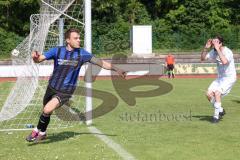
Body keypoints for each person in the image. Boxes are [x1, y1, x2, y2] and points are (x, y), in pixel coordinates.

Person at [26, 28, 126, 142]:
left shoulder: (82, 53)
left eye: (79, 38)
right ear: (68, 40)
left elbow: (101, 63)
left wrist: (116, 68)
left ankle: (36, 130)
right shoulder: (57, 51)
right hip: (52, 86)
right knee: (46, 110)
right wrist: (35, 57)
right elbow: (39, 59)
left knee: (47, 109)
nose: (79, 40)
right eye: (76, 38)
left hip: (66, 90)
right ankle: (43, 133)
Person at [201, 35, 236, 123]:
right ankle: (220, 109)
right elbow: (202, 59)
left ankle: (216, 117)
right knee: (208, 94)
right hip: (220, 78)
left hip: (229, 78)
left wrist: (218, 50)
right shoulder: (214, 51)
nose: (214, 44)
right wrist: (206, 48)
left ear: (220, 43)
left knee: (217, 93)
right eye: (213, 42)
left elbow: (224, 62)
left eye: (216, 42)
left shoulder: (228, 51)